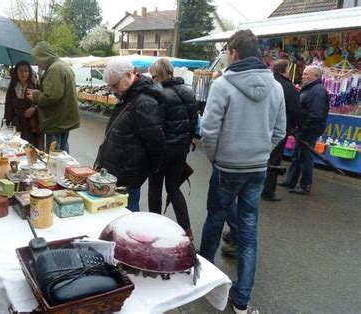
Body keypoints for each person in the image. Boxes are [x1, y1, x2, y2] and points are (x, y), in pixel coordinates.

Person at [199, 30, 286, 313]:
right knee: (248, 230)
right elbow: (280, 132)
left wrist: (216, 158)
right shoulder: (275, 87)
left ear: (234, 53)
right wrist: (260, 152)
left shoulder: (223, 85)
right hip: (257, 168)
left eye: (227, 51)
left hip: (227, 166)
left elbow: (209, 131)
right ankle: (242, 299)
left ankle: (204, 279)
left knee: (215, 219)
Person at [98, 58, 165, 212]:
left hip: (128, 175)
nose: (114, 90)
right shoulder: (129, 96)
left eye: (115, 86)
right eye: (111, 87)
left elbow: (156, 143)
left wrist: (143, 169)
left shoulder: (143, 102)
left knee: (128, 213)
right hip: (121, 171)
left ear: (129, 75)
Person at [147, 58, 197, 237]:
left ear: (158, 76)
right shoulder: (188, 91)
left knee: (154, 189)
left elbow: (155, 126)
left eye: (153, 76)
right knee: (174, 188)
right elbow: (193, 122)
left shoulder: (158, 94)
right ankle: (187, 229)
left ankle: (154, 230)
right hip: (181, 149)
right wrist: (189, 139)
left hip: (162, 151)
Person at [279, 65, 329, 195]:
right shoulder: (308, 89)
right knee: (296, 155)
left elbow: (316, 115)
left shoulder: (318, 91)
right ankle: (291, 181)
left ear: (315, 77)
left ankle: (305, 185)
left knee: (305, 157)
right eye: (304, 74)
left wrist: (304, 127)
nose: (303, 76)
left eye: (307, 74)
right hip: (303, 128)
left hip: (310, 129)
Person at [25, 41, 80, 153]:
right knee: (63, 152)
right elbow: (56, 92)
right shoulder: (61, 66)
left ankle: (56, 171)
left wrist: (35, 95)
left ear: (43, 57)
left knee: (53, 154)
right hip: (63, 119)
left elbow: (52, 97)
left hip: (56, 121)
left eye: (37, 59)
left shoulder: (55, 69)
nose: (36, 62)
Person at [262, 59, 302, 201]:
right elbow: (295, 110)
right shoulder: (288, 87)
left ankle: (258, 186)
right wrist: (298, 125)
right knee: (274, 159)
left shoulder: (268, 83)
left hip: (264, 125)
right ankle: (268, 191)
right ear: (286, 70)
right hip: (280, 127)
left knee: (262, 156)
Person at [4, 60, 44, 150]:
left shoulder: (36, 85)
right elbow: (8, 107)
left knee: (33, 148)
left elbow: (45, 102)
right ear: (16, 72)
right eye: (20, 71)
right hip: (18, 122)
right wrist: (5, 124)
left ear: (29, 72)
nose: (23, 74)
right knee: (18, 147)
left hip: (33, 122)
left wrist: (34, 108)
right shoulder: (12, 87)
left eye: (26, 71)